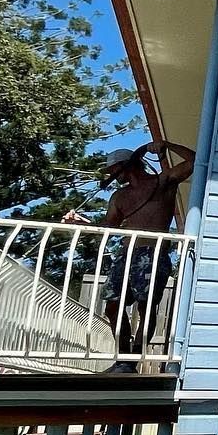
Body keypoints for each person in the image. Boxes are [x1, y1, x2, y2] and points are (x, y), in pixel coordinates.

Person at [65, 140, 195, 364]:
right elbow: (108, 228)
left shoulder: (162, 181)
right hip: (126, 254)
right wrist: (80, 223)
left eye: (113, 169)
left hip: (152, 252)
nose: (111, 174)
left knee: (146, 306)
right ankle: (123, 357)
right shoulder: (120, 196)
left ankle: (133, 359)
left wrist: (166, 145)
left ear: (127, 164)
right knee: (112, 307)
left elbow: (194, 161)